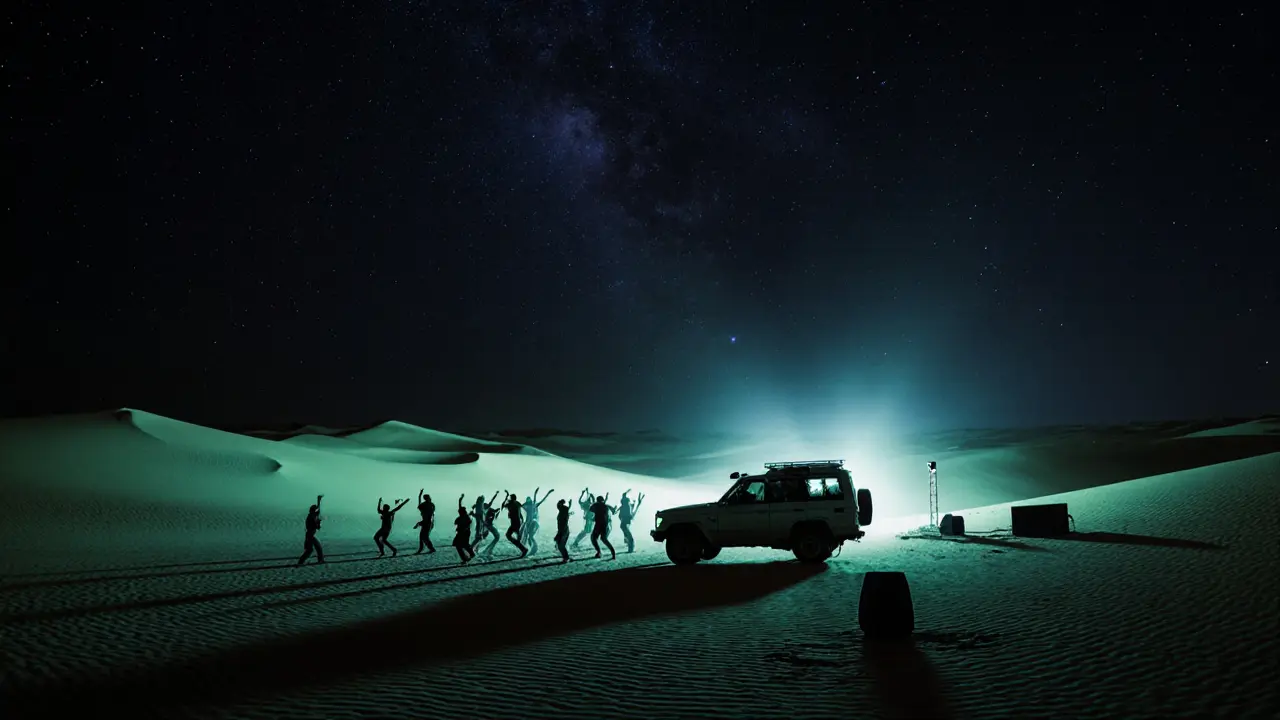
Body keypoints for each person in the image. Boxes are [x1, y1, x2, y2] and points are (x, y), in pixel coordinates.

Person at [521, 487, 554, 555]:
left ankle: (534, 548)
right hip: (528, 522)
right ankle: (531, 549)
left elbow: (542, 499)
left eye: (529, 500)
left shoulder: (534, 505)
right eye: (528, 500)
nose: (530, 501)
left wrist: (548, 493)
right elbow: (521, 505)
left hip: (534, 522)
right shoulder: (526, 506)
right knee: (528, 537)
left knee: (530, 537)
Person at [297, 494, 325, 566]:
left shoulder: (311, 516)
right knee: (312, 549)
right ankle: (301, 562)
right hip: (310, 535)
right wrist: (318, 523)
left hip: (310, 535)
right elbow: (315, 527)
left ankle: (320, 560)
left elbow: (318, 509)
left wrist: (319, 500)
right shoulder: (311, 517)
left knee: (313, 549)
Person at [501, 491, 529, 557]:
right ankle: (523, 549)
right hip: (517, 522)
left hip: (515, 523)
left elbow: (502, 506)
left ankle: (524, 549)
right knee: (514, 536)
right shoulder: (517, 503)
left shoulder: (511, 504)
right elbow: (520, 512)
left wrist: (506, 497)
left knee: (508, 535)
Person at [589, 494, 617, 560]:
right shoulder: (606, 506)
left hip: (599, 525)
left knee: (594, 538)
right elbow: (614, 511)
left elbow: (591, 509)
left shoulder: (597, 505)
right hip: (604, 525)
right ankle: (612, 553)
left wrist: (594, 501)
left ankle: (599, 552)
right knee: (603, 539)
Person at [453, 495, 475, 564]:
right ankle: (467, 556)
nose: (459, 512)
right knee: (460, 545)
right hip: (461, 532)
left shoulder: (466, 517)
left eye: (460, 512)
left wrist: (462, 530)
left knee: (462, 545)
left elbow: (467, 525)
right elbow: (460, 507)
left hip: (464, 533)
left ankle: (468, 556)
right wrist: (460, 500)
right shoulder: (462, 516)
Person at [414, 489, 436, 554]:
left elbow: (430, 516)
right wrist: (419, 495)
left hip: (428, 523)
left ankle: (430, 548)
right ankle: (423, 548)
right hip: (427, 522)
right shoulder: (429, 505)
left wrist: (419, 495)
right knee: (422, 536)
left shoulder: (429, 505)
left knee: (424, 536)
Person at [554, 498, 573, 563]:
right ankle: (566, 558)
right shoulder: (563, 511)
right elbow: (558, 505)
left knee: (561, 546)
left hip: (564, 531)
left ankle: (566, 558)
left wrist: (558, 534)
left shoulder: (562, 513)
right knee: (560, 546)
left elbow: (562, 527)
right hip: (563, 531)